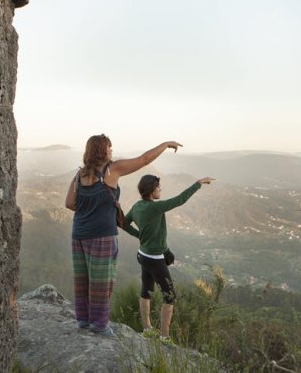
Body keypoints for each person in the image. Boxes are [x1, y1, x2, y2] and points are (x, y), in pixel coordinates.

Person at [65, 135, 182, 336]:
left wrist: (90, 206)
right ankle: (100, 325)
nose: (112, 151)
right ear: (102, 151)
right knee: (102, 282)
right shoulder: (111, 170)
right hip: (102, 236)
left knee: (82, 280)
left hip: (79, 235)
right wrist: (165, 144)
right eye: (109, 147)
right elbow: (144, 160)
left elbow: (69, 203)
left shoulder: (78, 175)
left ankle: (83, 320)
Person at [123, 175, 215, 344]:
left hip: (143, 255)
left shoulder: (137, 206)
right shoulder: (155, 208)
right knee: (170, 296)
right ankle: (164, 337)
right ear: (151, 190)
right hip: (154, 259)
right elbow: (180, 199)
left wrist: (141, 237)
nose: (160, 190)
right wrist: (198, 183)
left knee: (146, 291)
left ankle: (147, 329)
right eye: (158, 187)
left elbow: (123, 223)